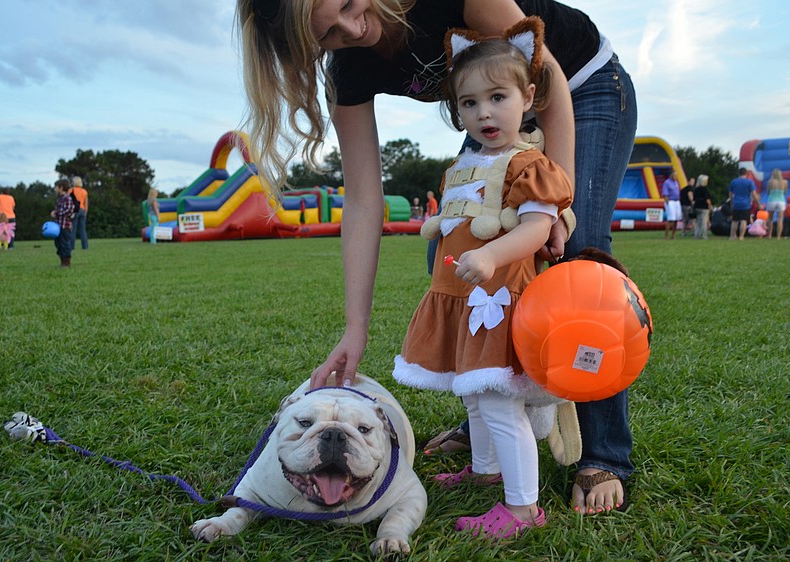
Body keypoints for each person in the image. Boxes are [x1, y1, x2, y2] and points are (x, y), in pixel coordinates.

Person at [238, 0, 638, 515]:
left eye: (345, 6)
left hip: (578, 86)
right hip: (495, 107)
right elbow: (363, 198)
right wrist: (354, 328)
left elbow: (552, 78)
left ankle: (604, 454)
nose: (352, 29)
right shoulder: (350, 69)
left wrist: (555, 204)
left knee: (576, 260)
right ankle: (495, 415)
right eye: (329, 38)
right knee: (453, 247)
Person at [392, 19, 573, 538]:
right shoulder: (465, 165)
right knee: (472, 394)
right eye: (469, 103)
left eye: (497, 96)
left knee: (498, 400)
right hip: (458, 297)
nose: (484, 112)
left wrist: (493, 255)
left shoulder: (529, 163)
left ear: (529, 97)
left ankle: (522, 509)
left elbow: (538, 228)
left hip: (496, 297)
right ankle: (485, 470)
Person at [728, 168, 759, 240]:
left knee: (735, 220)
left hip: (736, 203)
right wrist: (758, 203)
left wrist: (732, 203)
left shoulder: (733, 182)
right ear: (746, 173)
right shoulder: (749, 182)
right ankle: (741, 236)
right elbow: (754, 194)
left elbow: (730, 193)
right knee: (743, 220)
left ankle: (732, 236)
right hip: (746, 204)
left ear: (738, 173)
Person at [51, 179, 75, 267]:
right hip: (58, 226)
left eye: (56, 187)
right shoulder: (59, 199)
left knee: (65, 243)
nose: (55, 189)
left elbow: (69, 210)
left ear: (61, 188)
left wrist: (56, 213)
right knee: (58, 243)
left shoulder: (68, 198)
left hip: (65, 226)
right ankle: (62, 259)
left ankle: (66, 261)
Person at [764, 168, 787, 240]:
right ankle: (778, 236)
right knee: (780, 219)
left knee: (770, 219)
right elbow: (785, 192)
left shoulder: (770, 182)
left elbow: (768, 192)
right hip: (781, 200)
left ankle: (769, 235)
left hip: (772, 200)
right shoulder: (785, 182)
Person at [69, 176, 89, 250]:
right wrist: (85, 212)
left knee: (73, 229)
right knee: (83, 230)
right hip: (82, 210)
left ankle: (71, 247)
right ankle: (85, 246)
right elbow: (86, 203)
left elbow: (70, 201)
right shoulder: (84, 191)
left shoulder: (71, 190)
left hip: (75, 210)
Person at [661, 171, 681, 239]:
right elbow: (665, 194)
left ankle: (673, 235)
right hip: (670, 201)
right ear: (671, 175)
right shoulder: (667, 183)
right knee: (670, 219)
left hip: (677, 201)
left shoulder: (676, 182)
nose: (676, 177)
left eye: (676, 175)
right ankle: (666, 236)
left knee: (676, 219)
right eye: (674, 175)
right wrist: (668, 204)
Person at [693, 175, 713, 240]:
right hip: (704, 207)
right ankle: (704, 236)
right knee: (704, 222)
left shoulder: (696, 189)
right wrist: (710, 206)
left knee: (698, 222)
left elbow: (694, 198)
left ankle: (697, 235)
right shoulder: (705, 189)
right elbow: (707, 199)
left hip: (697, 206)